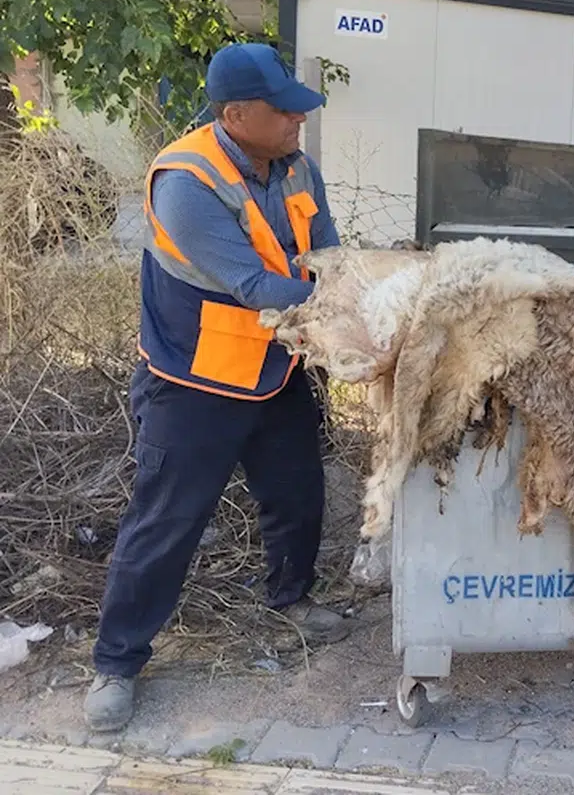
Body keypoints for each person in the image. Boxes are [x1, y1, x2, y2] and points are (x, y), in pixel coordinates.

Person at [84, 42, 354, 733]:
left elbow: (326, 255)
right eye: (284, 109)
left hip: (277, 367)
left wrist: (352, 285)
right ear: (236, 115)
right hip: (195, 378)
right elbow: (258, 286)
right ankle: (116, 662)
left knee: (298, 495)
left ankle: (291, 598)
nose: (300, 118)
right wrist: (357, 308)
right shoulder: (186, 182)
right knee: (166, 520)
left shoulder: (297, 168)